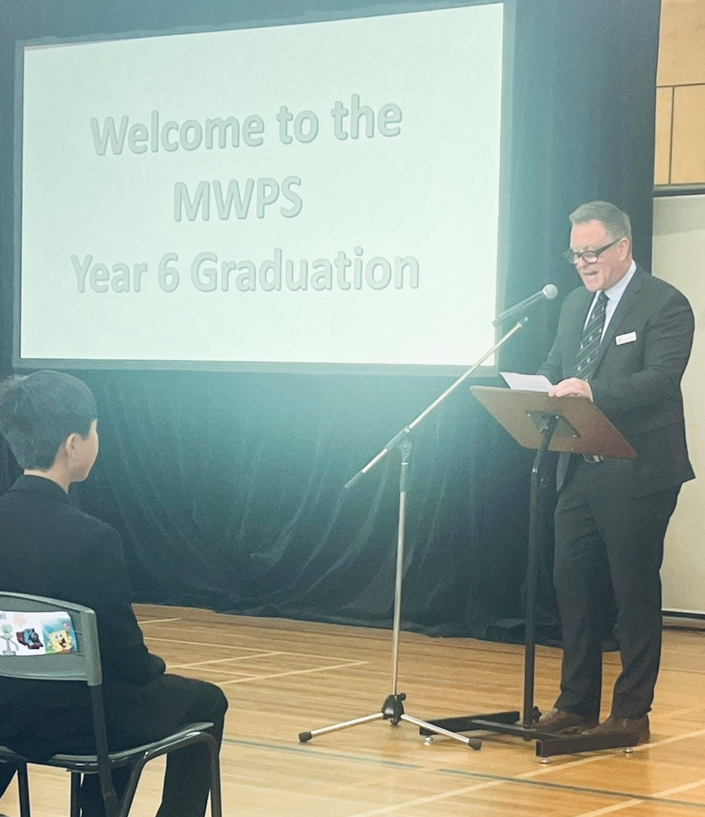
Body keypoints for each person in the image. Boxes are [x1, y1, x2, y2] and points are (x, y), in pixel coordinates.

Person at [0, 371, 228, 817]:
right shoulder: (92, 538)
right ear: (73, 445)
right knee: (206, 700)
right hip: (78, 726)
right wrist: (155, 667)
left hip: (4, 712)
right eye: (95, 430)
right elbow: (126, 661)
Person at [535, 201, 694, 743]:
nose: (582, 262)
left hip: (638, 470)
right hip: (580, 467)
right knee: (573, 586)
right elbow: (557, 365)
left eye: (592, 252)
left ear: (622, 247)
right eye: (575, 254)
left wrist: (592, 390)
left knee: (633, 593)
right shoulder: (575, 303)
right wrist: (537, 389)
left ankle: (630, 714)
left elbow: (660, 380)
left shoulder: (665, 303)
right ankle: (576, 704)